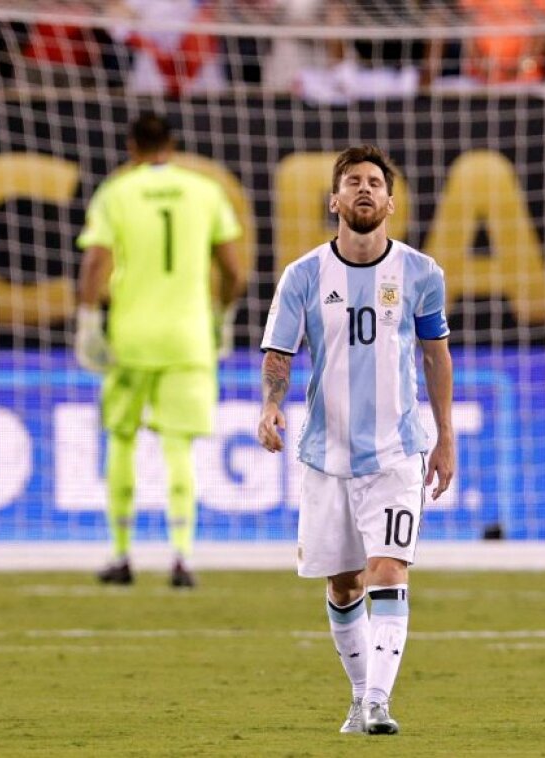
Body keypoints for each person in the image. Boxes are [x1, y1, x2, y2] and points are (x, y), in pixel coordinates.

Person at [256, 145, 455, 735]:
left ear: (391, 202)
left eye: (374, 182)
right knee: (343, 586)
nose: (364, 190)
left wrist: (446, 438)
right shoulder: (303, 275)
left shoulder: (422, 273)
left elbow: (435, 356)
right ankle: (359, 696)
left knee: (388, 571)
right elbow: (279, 353)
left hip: (397, 453)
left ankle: (377, 704)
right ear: (335, 201)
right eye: (353, 182)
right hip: (326, 456)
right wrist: (271, 405)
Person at [74, 112, 244, 589]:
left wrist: (88, 322)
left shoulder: (116, 192)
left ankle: (122, 554)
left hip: (131, 338)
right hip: (189, 337)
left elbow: (96, 264)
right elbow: (233, 270)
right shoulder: (205, 191)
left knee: (123, 441)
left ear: (132, 146)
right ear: (173, 143)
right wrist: (222, 315)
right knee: (179, 448)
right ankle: (182, 557)